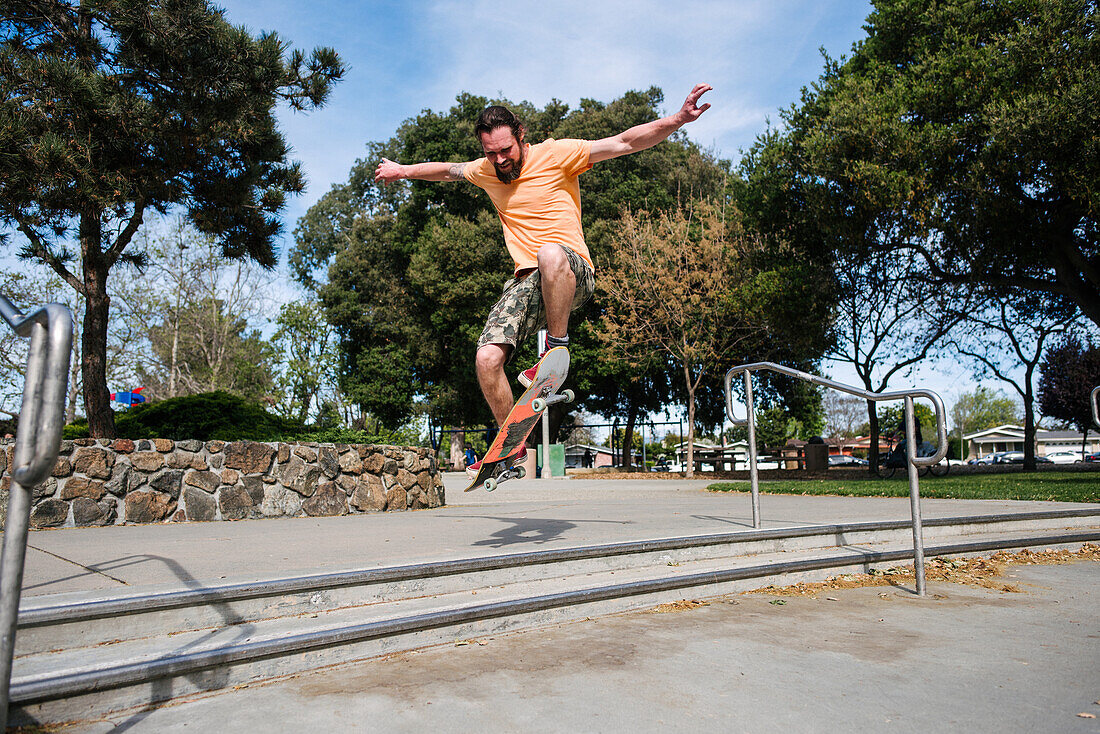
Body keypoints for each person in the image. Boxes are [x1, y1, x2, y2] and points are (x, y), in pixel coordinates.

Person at [374, 84, 713, 478]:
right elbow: (446, 171)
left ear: (521, 136)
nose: (500, 160)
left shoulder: (557, 154)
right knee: (487, 359)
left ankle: (557, 348)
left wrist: (678, 119)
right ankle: (511, 450)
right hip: (527, 285)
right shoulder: (486, 171)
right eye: (492, 154)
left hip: (572, 273)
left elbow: (623, 143)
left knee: (549, 253)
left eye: (507, 150)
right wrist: (402, 171)